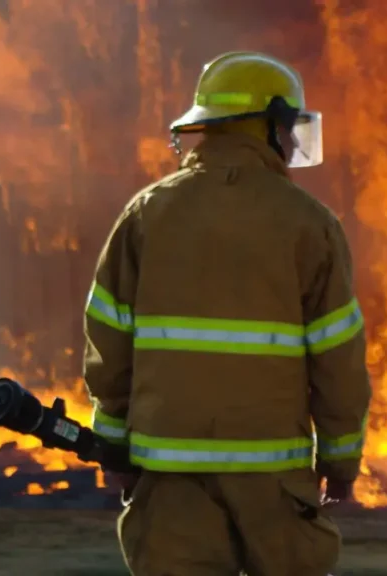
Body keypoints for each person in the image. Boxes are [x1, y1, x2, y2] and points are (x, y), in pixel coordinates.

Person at [81, 50, 372, 576]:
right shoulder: (310, 224)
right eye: (285, 127)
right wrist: (340, 462)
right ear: (268, 126)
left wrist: (112, 446)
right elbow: (338, 360)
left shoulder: (147, 214)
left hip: (168, 480)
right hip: (273, 481)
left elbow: (109, 345)